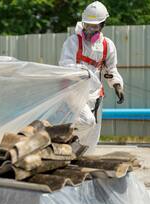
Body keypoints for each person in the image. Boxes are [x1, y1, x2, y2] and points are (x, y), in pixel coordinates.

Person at [59, 1, 124, 153]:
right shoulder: (73, 42)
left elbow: (110, 68)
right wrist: (83, 72)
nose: (89, 30)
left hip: (95, 95)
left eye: (94, 26)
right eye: (87, 25)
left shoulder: (107, 45)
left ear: (102, 25)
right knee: (87, 122)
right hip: (74, 92)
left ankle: (83, 162)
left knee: (93, 135)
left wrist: (117, 84)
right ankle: (64, 144)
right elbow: (64, 65)